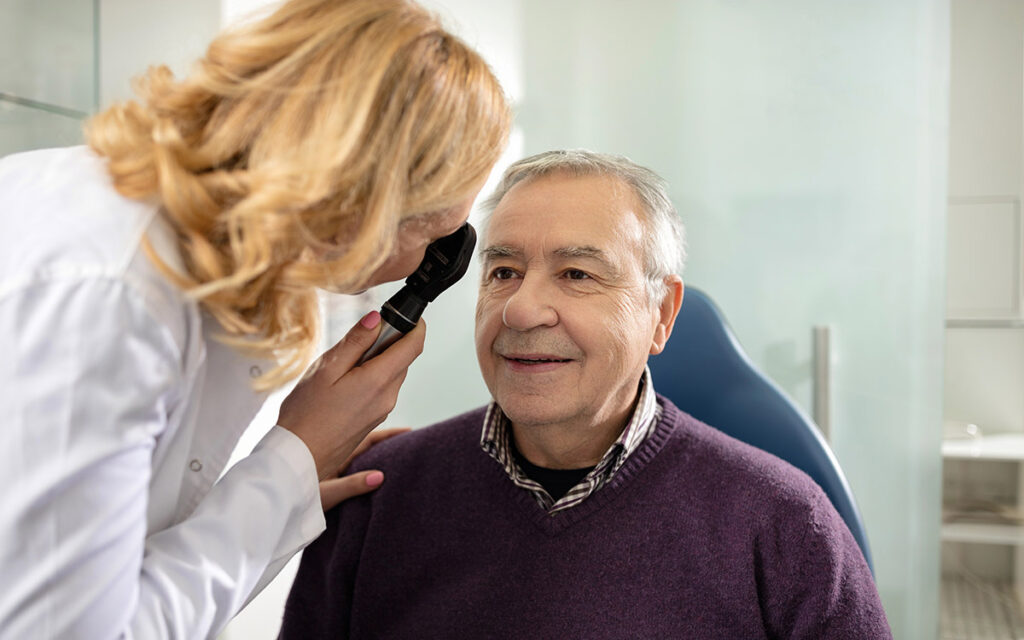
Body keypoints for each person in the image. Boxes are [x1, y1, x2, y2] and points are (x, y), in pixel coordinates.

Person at [0, 0, 510, 637]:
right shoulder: (108, 294)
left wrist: (288, 482)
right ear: (364, 201)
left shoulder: (196, 255)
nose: (433, 258)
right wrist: (296, 458)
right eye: (436, 232)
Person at [279, 150, 893, 639]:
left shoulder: (785, 526)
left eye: (576, 274)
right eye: (503, 272)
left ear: (661, 314)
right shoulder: (376, 498)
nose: (520, 310)